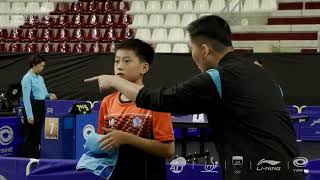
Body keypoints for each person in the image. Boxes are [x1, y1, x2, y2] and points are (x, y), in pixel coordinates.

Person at [85, 15, 305, 180]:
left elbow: (164, 100)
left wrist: (113, 81)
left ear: (204, 50)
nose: (192, 56)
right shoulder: (264, 75)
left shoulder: (218, 77)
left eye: (191, 48)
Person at [96, 39, 175, 180]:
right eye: (116, 61)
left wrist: (127, 139)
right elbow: (103, 144)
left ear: (144, 68)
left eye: (126, 61)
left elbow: (168, 150)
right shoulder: (107, 103)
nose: (119, 66)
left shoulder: (156, 102)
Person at [21, 55, 57, 158]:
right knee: (30, 136)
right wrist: (29, 116)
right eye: (41, 66)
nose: (42, 68)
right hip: (32, 108)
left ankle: (36, 158)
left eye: (43, 66)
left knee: (37, 136)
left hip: (41, 107)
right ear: (33, 65)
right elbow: (26, 98)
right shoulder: (26, 78)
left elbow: (44, 94)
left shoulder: (40, 78)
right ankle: (26, 160)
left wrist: (50, 95)